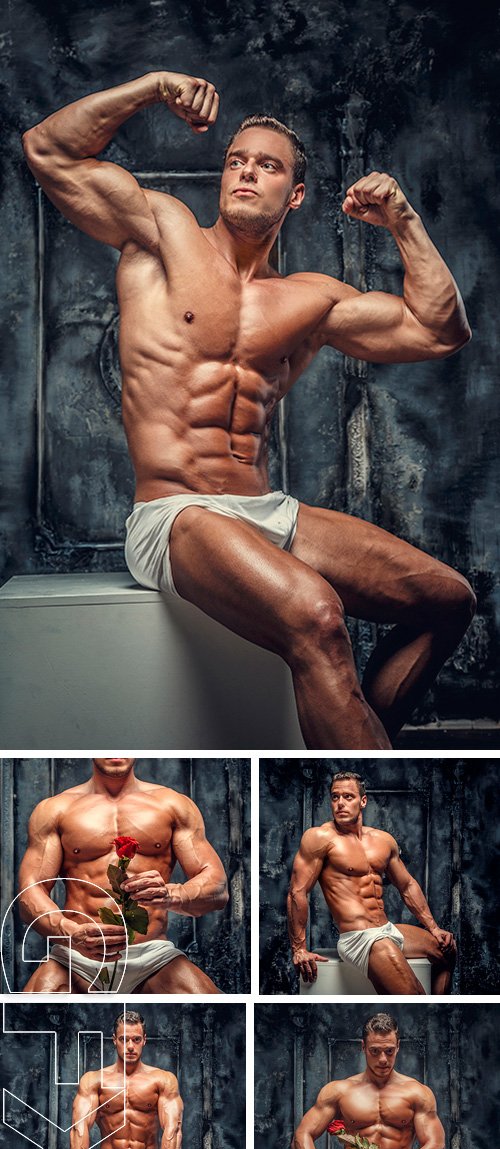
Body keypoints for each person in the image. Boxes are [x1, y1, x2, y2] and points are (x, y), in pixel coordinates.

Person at [22, 73, 476, 750]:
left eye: (267, 166)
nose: (245, 172)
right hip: (176, 516)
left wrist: (403, 220)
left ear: (294, 194)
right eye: (236, 160)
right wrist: (150, 89)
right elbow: (48, 150)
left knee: (448, 603)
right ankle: (360, 781)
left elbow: (440, 330)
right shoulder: (160, 233)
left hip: (265, 513)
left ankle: (359, 751)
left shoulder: (310, 300)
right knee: (318, 614)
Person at [17, 757, 228, 992]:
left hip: (153, 957)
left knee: (208, 1001)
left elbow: (218, 888)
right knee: (31, 1011)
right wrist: (72, 933)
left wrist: (172, 894)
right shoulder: (55, 810)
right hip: (76, 955)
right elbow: (29, 892)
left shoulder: (173, 805)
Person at [26, 1010, 227, 1149]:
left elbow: (173, 1130)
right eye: (124, 1039)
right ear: (114, 1040)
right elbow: (79, 1129)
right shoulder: (94, 1080)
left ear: (144, 1040)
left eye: (136, 1039)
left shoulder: (163, 1080)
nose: (130, 1046)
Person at [287, 769, 456, 993]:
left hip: (386, 929)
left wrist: (434, 928)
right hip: (359, 938)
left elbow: (407, 886)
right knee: (414, 994)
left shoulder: (383, 840)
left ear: (363, 801)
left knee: (447, 951)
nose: (340, 803)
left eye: (348, 797)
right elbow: (296, 893)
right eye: (335, 797)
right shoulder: (320, 838)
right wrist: (299, 948)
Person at [292, 1012, 446, 1149]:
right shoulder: (339, 1090)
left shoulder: (417, 1092)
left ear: (398, 1047)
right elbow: (302, 1135)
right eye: (374, 1051)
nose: (383, 1059)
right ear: (363, 1047)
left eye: (389, 1051)